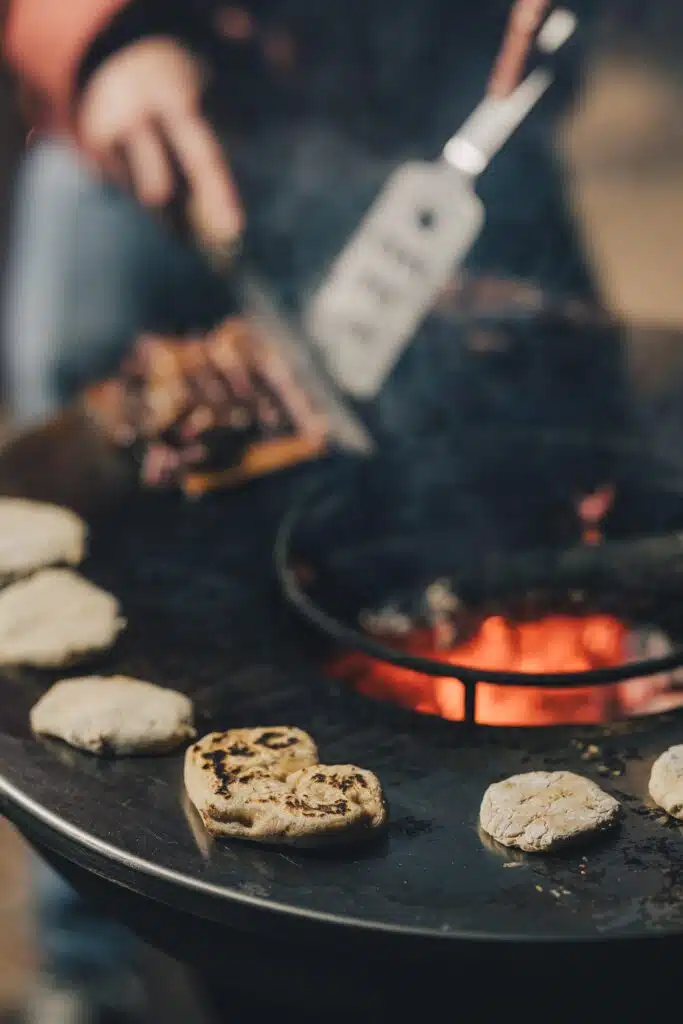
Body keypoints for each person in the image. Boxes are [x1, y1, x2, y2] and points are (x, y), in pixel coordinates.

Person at [0, 1, 578, 1021]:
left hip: (448, 123)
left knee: (544, 445)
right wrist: (97, 38)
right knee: (91, 624)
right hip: (152, 126)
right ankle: (90, 967)